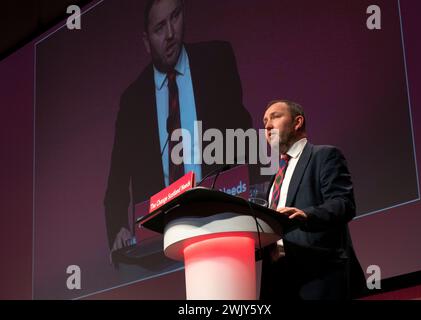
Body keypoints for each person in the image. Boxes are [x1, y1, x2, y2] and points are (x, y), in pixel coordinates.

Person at [104, 0, 252, 256]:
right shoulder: (133, 100)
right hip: (162, 244)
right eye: (160, 27)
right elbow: (117, 183)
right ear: (146, 41)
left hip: (223, 227)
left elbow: (244, 139)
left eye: (175, 17)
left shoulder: (216, 60)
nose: (171, 33)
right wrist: (119, 229)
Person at [260, 99, 366, 300]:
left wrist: (307, 215)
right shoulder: (275, 178)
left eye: (275, 117)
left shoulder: (324, 156)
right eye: (265, 121)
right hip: (277, 281)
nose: (267, 126)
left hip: (318, 275)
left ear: (297, 122)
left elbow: (343, 204)